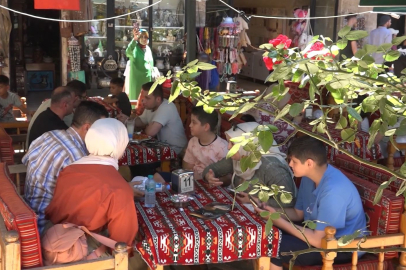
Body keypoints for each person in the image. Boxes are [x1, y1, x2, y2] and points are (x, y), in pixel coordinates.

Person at [45, 118, 145, 269]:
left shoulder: (69, 170)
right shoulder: (119, 188)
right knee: (149, 256)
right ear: (120, 145)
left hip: (56, 240)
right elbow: (123, 244)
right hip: (83, 252)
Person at [255, 136, 367, 269]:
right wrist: (273, 212)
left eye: (294, 161)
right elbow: (298, 214)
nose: (290, 164)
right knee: (263, 231)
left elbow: (319, 241)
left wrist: (279, 221)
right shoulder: (309, 177)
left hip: (341, 247)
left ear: (309, 163)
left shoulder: (333, 190)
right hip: (317, 234)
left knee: (275, 247)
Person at [23, 101, 109, 234]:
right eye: (102, 131)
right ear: (87, 128)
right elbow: (85, 203)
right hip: (46, 227)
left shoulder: (49, 135)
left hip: (30, 210)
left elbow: (26, 160)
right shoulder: (77, 157)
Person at [202, 122, 296, 208]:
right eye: (229, 142)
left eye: (233, 143)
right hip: (244, 211)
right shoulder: (241, 157)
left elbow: (289, 202)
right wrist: (209, 176)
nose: (228, 147)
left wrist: (255, 200)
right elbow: (211, 169)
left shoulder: (271, 167)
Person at [133, 82, 187, 154]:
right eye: (143, 97)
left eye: (147, 98)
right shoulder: (150, 107)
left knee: (138, 160)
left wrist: (147, 127)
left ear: (158, 99)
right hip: (161, 148)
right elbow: (140, 121)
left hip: (176, 150)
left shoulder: (167, 107)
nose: (144, 101)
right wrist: (127, 120)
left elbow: (150, 132)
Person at [126, 27, 154, 102]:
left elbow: (150, 63)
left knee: (147, 100)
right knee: (136, 101)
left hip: (147, 80)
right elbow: (128, 52)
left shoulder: (148, 49)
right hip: (137, 81)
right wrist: (134, 39)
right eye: (142, 37)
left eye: (146, 37)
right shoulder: (135, 49)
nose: (144, 39)